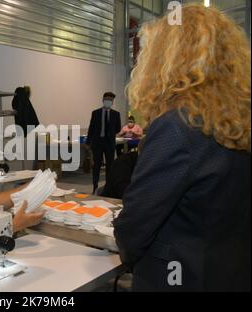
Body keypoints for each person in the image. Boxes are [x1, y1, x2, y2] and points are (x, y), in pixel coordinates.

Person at [114, 4, 251, 291]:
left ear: (167, 59)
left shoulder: (176, 127)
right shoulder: (239, 123)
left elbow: (134, 228)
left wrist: (130, 258)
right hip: (229, 271)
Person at [86, 92, 121, 194]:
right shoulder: (95, 113)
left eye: (110, 100)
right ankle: (95, 186)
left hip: (109, 143)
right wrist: (88, 142)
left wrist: (111, 131)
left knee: (110, 166)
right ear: (103, 100)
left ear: (112, 102)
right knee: (96, 166)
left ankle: (108, 187)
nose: (108, 102)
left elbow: (118, 128)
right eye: (106, 100)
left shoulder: (116, 114)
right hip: (98, 142)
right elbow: (91, 128)